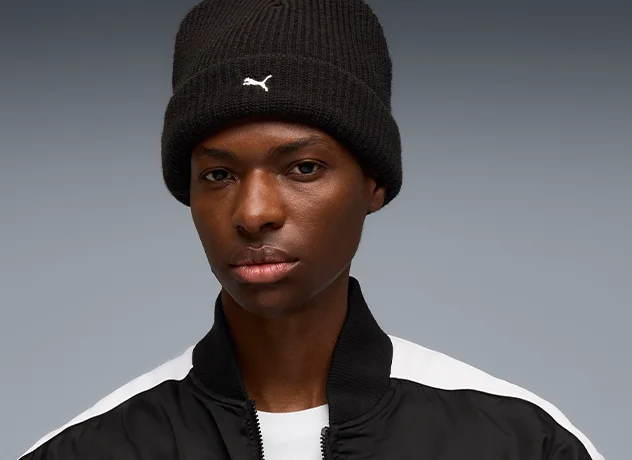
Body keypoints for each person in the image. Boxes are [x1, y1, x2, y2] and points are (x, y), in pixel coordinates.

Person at [18, 1, 604, 459]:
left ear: (374, 184)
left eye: (303, 168)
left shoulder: (520, 441)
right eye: (218, 174)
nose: (253, 213)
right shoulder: (89, 448)